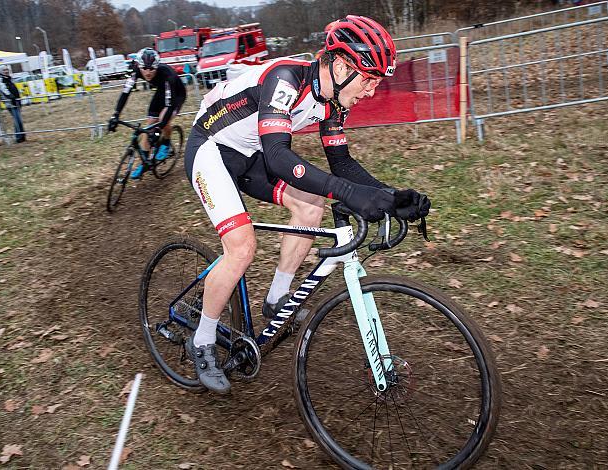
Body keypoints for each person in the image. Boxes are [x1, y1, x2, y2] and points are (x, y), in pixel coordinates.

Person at [183, 15, 431, 394]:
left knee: (312, 204)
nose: (371, 92)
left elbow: (342, 164)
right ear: (343, 66)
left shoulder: (333, 100)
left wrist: (390, 196)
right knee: (242, 247)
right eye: (369, 80)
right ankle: (201, 340)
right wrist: (349, 193)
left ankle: (277, 297)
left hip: (251, 154)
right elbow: (281, 159)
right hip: (211, 150)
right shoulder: (286, 78)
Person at [107, 48, 186, 179]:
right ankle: (145, 162)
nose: (147, 73)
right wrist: (115, 115)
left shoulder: (167, 75)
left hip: (176, 94)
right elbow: (125, 92)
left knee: (163, 119)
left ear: (157, 66)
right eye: (144, 68)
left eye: (152, 69)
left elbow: (170, 105)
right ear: (139, 66)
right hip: (161, 92)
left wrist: (159, 127)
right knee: (147, 127)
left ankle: (166, 143)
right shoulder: (136, 70)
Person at [0, 65, 26, 143]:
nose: (6, 71)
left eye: (7, 69)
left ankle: (22, 135)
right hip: (10, 102)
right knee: (17, 119)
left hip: (16, 101)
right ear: (0, 71)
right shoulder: (0, 79)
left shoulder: (9, 78)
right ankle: (18, 137)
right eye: (4, 70)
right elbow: (4, 90)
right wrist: (10, 96)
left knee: (19, 119)